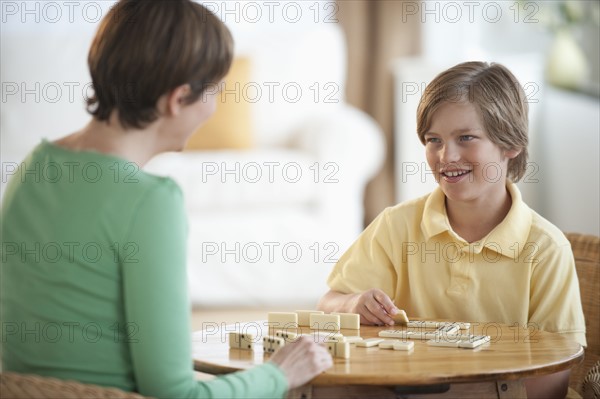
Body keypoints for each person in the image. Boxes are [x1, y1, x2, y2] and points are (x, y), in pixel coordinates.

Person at [0, 1, 332, 398]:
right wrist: (279, 373)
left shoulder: (34, 166)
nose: (213, 108)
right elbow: (176, 396)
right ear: (177, 100)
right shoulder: (150, 202)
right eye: (214, 93)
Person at [317, 61, 586, 399]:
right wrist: (353, 303)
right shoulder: (396, 225)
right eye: (434, 140)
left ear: (510, 145)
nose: (447, 155)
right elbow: (328, 303)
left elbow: (553, 378)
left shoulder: (546, 249)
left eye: (466, 138)